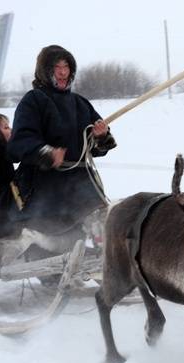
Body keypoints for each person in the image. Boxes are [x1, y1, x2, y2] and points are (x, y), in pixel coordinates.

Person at [7, 44, 116, 236]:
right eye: (57, 68)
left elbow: (96, 148)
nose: (63, 72)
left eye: (67, 67)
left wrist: (100, 136)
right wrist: (45, 153)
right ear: (45, 71)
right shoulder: (33, 100)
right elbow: (19, 142)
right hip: (44, 187)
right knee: (49, 244)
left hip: (82, 186)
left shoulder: (80, 103)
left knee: (99, 239)